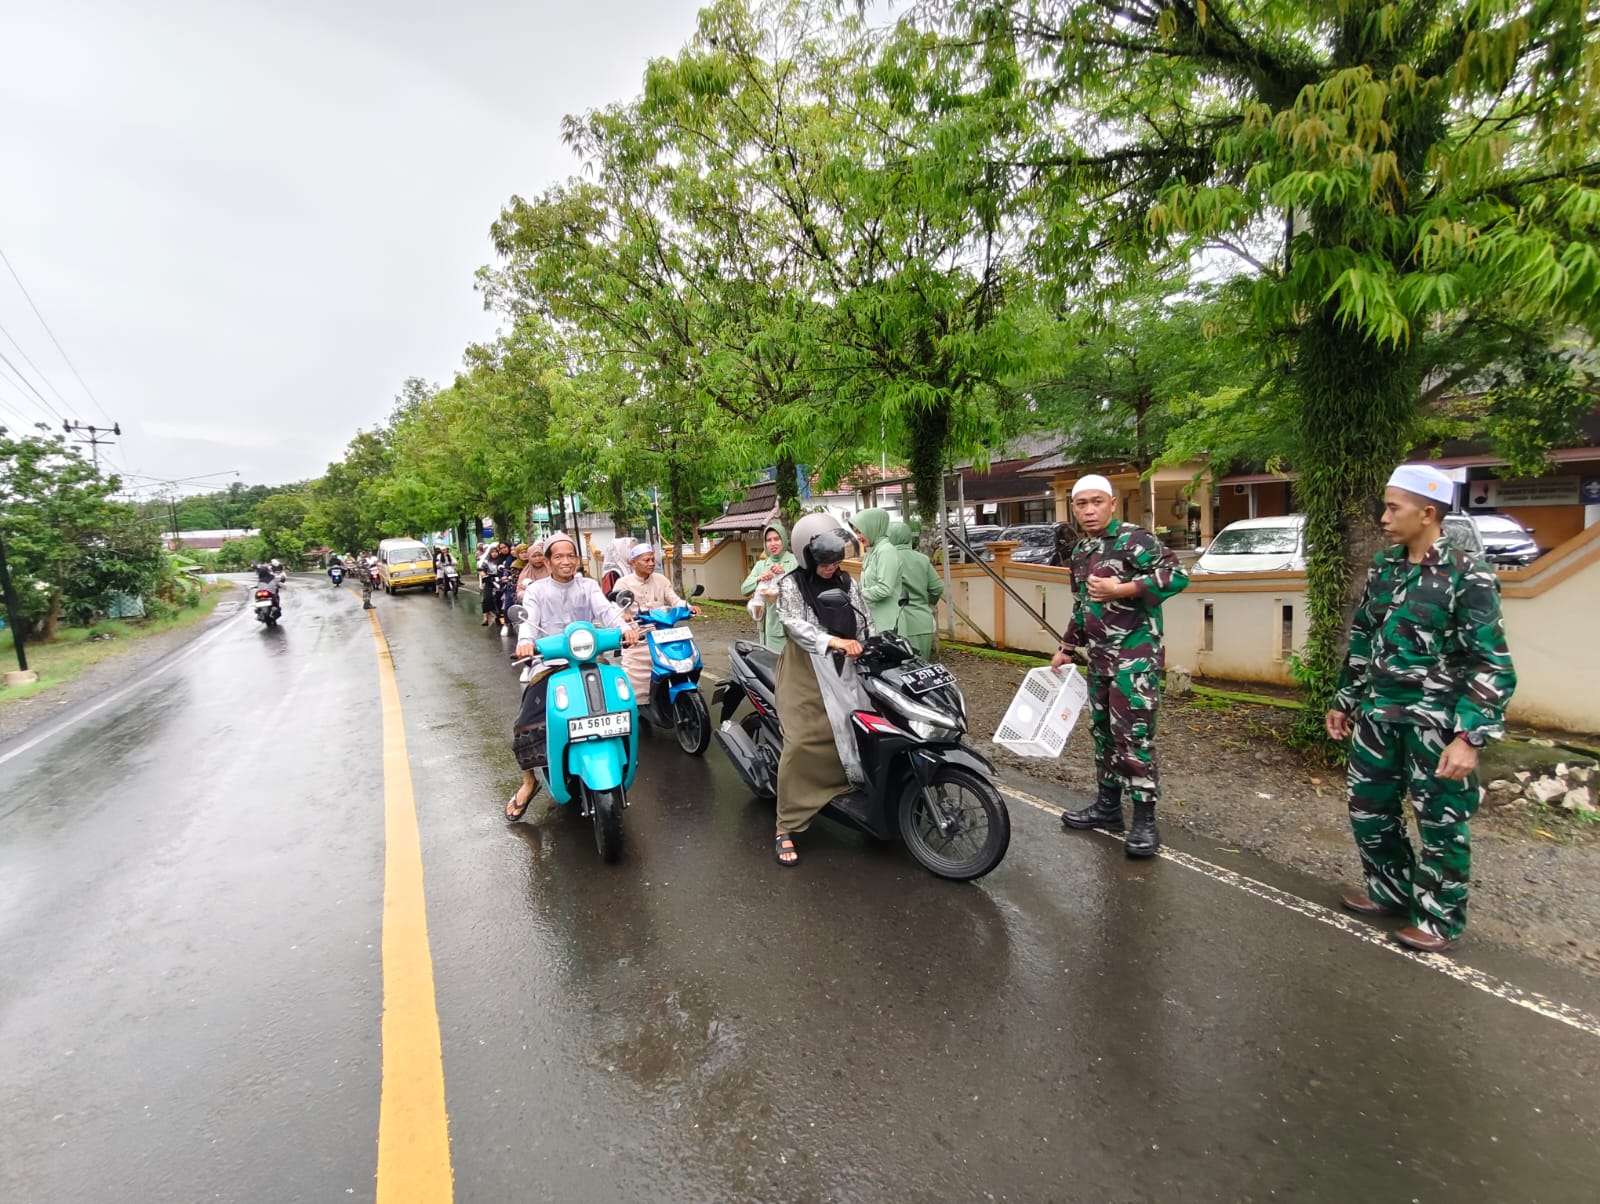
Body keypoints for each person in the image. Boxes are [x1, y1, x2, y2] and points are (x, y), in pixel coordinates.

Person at [1326, 463, 1516, 953]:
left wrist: (1469, 736)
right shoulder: (1387, 568)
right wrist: (1346, 699)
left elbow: (1491, 663)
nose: (1384, 517)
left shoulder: (1467, 574)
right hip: (1380, 715)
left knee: (1440, 821)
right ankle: (1388, 891)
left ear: (1427, 512)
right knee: (1370, 810)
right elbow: (1365, 636)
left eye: (1393, 507)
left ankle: (1438, 919)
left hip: (1437, 723)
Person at [1050, 474, 1189, 857]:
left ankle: (1144, 820)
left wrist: (1122, 589)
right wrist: (1066, 647)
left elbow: (1178, 576)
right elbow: (1081, 606)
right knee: (1103, 733)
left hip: (1135, 658)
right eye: (1081, 504)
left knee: (1133, 736)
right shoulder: (1080, 551)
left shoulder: (1135, 539)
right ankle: (1108, 807)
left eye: (1097, 502)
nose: (1089, 510)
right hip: (1099, 659)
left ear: (1112, 502)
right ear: (1073, 508)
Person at [506, 532, 640, 821]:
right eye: (559, 556)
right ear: (549, 560)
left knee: (618, 699)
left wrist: (624, 628)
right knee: (527, 720)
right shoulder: (537, 591)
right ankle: (529, 783)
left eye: (571, 556)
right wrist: (525, 642)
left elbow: (607, 611)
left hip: (589, 659)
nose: (566, 561)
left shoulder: (588, 585)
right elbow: (527, 621)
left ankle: (621, 754)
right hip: (548, 663)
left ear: (577, 559)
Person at [772, 514, 876, 867]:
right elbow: (792, 623)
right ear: (807, 557)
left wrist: (874, 644)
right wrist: (831, 640)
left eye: (835, 562)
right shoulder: (792, 585)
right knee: (802, 741)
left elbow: (864, 619)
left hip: (846, 667)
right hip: (805, 668)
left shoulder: (848, 581)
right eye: (825, 562)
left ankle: (846, 790)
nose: (831, 568)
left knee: (858, 727)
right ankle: (785, 825)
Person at [616, 544, 701, 695]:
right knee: (633, 684)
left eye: (652, 560)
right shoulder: (623, 583)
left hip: (663, 636)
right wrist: (624, 615)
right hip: (637, 639)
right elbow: (615, 608)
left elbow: (675, 601)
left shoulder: (661, 580)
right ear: (634, 562)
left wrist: (688, 607)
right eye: (646, 560)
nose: (651, 563)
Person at [885, 520, 944, 659]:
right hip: (922, 622)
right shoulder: (922, 559)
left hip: (896, 624)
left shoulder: (885, 560)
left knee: (899, 674)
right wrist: (925, 601)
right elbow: (937, 587)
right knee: (920, 671)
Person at [740, 521, 798, 652]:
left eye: (776, 539)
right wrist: (758, 579)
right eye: (769, 540)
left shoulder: (794, 561)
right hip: (764, 626)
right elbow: (744, 589)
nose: (772, 543)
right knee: (766, 666)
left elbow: (802, 589)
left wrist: (784, 573)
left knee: (782, 668)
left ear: (783, 540)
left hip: (785, 628)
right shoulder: (761, 565)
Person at [850, 508, 903, 637]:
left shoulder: (886, 551)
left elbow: (885, 588)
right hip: (875, 622)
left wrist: (856, 596)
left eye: (860, 531)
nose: (858, 537)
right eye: (855, 532)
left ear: (872, 527)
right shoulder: (872, 551)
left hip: (888, 624)